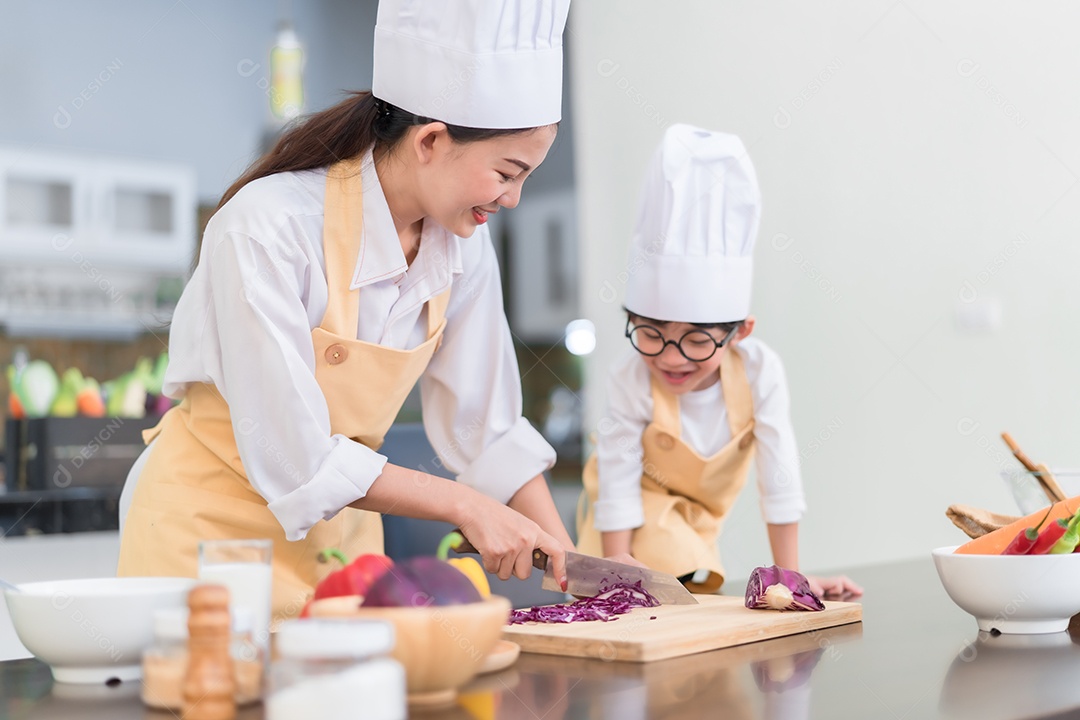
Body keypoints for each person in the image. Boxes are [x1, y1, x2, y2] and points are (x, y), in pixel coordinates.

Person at [118, 0, 576, 621]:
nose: (514, 199)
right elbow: (295, 456)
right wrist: (468, 507)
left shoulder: (463, 246)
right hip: (205, 544)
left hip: (343, 554)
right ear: (432, 141)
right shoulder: (268, 228)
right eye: (506, 172)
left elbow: (486, 430)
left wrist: (570, 563)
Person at [576, 124, 862, 599]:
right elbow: (618, 477)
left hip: (696, 531)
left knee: (689, 606)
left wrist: (790, 578)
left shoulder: (759, 372)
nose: (671, 357)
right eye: (651, 334)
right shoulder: (630, 376)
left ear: (739, 333)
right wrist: (615, 567)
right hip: (627, 525)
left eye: (695, 342)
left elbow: (778, 471)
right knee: (657, 593)